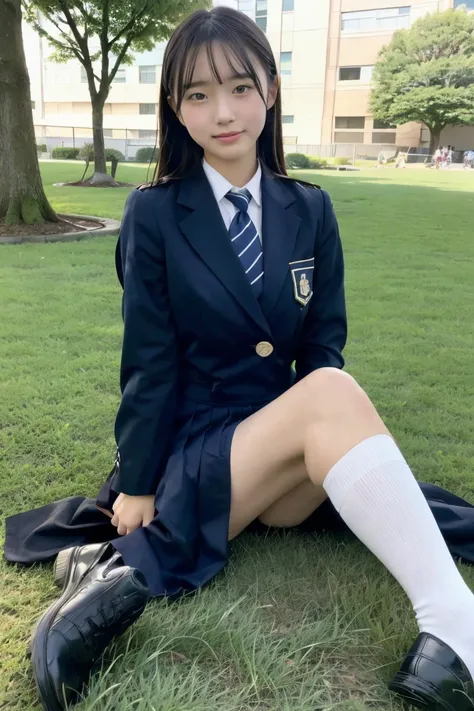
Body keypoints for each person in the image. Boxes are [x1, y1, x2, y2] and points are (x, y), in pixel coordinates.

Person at [4, 7, 474, 711]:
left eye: (239, 87)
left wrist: (302, 426)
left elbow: (322, 341)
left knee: (328, 382)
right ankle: (457, 623)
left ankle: (450, 615)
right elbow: (149, 364)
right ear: (177, 109)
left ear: (271, 91)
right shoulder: (156, 214)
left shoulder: (309, 208)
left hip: (281, 457)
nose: (222, 111)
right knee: (330, 392)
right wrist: (135, 485)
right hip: (195, 445)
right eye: (197, 94)